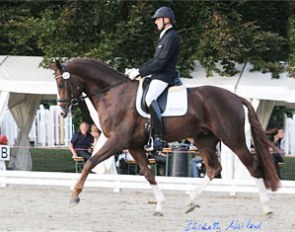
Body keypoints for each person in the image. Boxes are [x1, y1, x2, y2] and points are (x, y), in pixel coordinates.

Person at [125, 6, 180, 151]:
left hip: (165, 76)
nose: (155, 22)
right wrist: (137, 70)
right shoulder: (164, 36)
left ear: (166, 19)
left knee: (149, 98)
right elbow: (154, 61)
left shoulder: (172, 36)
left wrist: (141, 71)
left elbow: (161, 63)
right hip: (157, 75)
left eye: (157, 19)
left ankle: (159, 137)